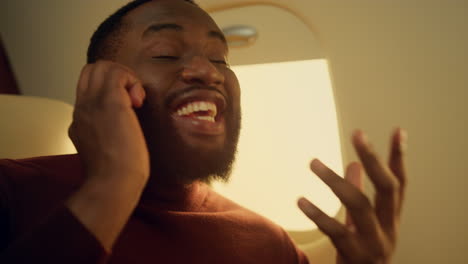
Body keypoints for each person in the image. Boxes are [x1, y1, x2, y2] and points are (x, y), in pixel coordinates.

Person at [0, 0, 408, 263]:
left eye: (220, 58)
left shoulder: (271, 246)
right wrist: (114, 185)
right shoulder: (12, 190)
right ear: (99, 84)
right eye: (165, 53)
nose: (209, 72)